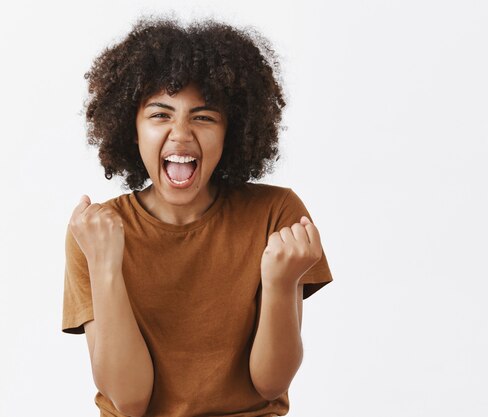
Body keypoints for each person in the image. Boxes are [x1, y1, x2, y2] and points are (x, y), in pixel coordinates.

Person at [61, 14, 333, 417]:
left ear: (231, 131)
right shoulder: (96, 231)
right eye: (160, 114)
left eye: (204, 117)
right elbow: (129, 401)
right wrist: (105, 268)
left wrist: (280, 283)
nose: (182, 134)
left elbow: (271, 384)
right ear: (131, 129)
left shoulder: (276, 213)